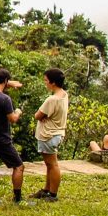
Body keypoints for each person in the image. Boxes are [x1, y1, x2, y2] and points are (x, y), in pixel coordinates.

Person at [32, 68, 69, 201]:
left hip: (48, 134)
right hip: (57, 133)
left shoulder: (51, 99)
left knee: (53, 165)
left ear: (53, 83)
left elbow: (38, 115)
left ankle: (53, 194)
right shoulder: (64, 95)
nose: (45, 83)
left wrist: (42, 117)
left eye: (46, 80)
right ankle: (47, 189)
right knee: (49, 164)